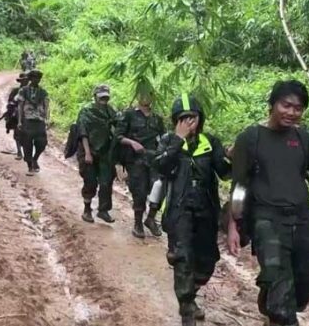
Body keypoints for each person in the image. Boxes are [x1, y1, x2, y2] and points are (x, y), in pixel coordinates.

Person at [226, 80, 309, 326]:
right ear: (272, 104)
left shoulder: (304, 139)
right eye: (286, 105)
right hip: (267, 221)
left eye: (298, 108)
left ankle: (274, 304)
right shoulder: (250, 138)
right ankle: (279, 310)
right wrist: (234, 224)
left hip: (302, 219)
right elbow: (239, 186)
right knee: (280, 290)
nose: (292, 112)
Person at [155, 93, 231, 326]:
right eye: (183, 117)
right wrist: (178, 141)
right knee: (184, 256)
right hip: (180, 209)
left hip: (206, 209)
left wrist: (236, 158)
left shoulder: (211, 142)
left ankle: (191, 293)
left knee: (207, 260)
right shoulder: (168, 141)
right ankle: (186, 308)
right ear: (176, 120)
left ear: (201, 118)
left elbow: (225, 172)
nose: (189, 122)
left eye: (193, 117)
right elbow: (160, 167)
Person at [115, 94, 165, 238]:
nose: (146, 98)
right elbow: (118, 136)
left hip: (153, 159)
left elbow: (163, 138)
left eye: (149, 95)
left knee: (159, 187)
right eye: (143, 94)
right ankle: (138, 223)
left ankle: (150, 218)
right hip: (135, 159)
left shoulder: (157, 118)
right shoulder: (129, 115)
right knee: (140, 191)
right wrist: (132, 142)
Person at [76, 84, 118, 224]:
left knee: (106, 181)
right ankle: (87, 209)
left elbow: (118, 124)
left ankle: (103, 210)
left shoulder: (110, 111)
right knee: (90, 181)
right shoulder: (86, 111)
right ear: (95, 97)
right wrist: (87, 153)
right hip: (89, 150)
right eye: (101, 98)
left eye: (106, 98)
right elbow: (83, 132)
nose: (103, 100)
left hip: (105, 151)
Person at [15, 69, 50, 176]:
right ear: (30, 78)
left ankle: (35, 159)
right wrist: (20, 121)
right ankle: (30, 166)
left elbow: (47, 106)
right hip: (27, 120)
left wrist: (47, 119)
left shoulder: (43, 92)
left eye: (38, 78)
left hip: (39, 120)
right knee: (27, 144)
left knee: (42, 143)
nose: (37, 80)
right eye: (34, 77)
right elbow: (20, 106)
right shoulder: (24, 90)